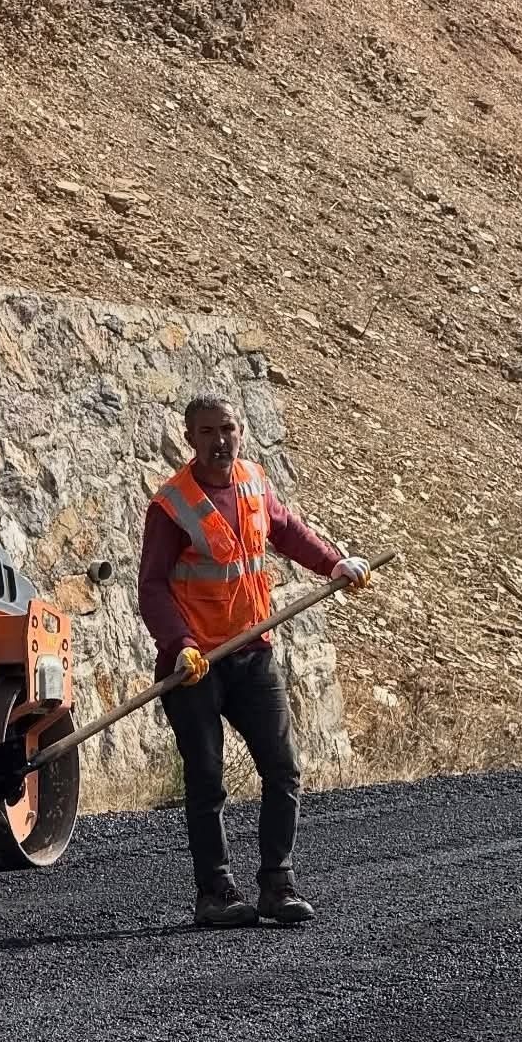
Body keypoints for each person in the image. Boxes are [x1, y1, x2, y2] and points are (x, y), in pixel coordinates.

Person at [138, 394, 371, 930]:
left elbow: (285, 529)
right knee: (206, 779)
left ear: (240, 431)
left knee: (283, 768)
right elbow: (151, 589)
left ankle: (277, 886)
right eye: (208, 432)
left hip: (251, 653)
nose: (221, 441)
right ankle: (215, 894)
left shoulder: (252, 482)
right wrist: (179, 644)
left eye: (229, 429)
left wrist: (333, 562)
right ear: (190, 438)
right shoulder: (172, 505)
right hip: (194, 666)